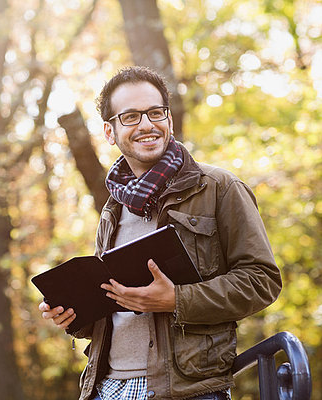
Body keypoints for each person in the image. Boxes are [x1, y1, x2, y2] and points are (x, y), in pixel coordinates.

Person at [39, 66, 282, 400]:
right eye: (131, 116)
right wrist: (74, 316)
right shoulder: (113, 208)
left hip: (185, 390)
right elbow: (112, 306)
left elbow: (261, 280)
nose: (146, 124)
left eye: (156, 113)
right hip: (104, 387)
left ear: (169, 120)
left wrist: (177, 300)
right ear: (110, 132)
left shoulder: (220, 188)